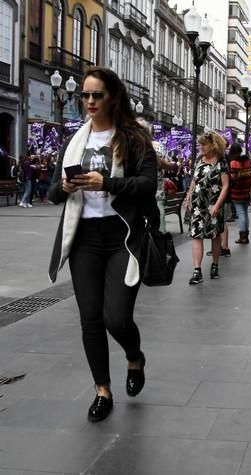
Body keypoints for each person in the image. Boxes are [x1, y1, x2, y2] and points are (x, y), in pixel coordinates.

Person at [47, 66, 157, 422]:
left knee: (117, 318)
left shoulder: (134, 139)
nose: (90, 101)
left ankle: (135, 356)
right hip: (85, 239)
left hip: (122, 237)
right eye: (85, 95)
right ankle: (102, 391)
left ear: (113, 97)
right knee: (90, 319)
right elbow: (52, 194)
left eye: (97, 95)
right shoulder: (74, 141)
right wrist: (63, 188)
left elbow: (147, 185)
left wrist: (106, 183)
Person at [183, 131, 230, 284]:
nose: (200, 147)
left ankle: (215, 265)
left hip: (213, 204)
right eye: (200, 144)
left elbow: (225, 186)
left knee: (214, 235)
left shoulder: (221, 162)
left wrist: (217, 205)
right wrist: (188, 196)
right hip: (198, 204)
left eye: (204, 144)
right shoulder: (199, 160)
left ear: (213, 145)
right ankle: (197, 271)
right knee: (196, 235)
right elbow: (194, 180)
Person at [208, 143, 241, 257]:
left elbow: (231, 177)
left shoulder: (224, 159)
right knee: (220, 221)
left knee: (221, 222)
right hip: (221, 195)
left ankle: (224, 247)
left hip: (223, 195)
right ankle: (221, 246)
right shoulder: (225, 158)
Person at [229, 151, 251, 244]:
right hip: (247, 191)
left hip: (237, 191)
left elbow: (233, 178)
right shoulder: (249, 162)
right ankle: (246, 234)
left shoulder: (234, 163)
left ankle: (243, 236)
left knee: (241, 213)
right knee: (245, 213)